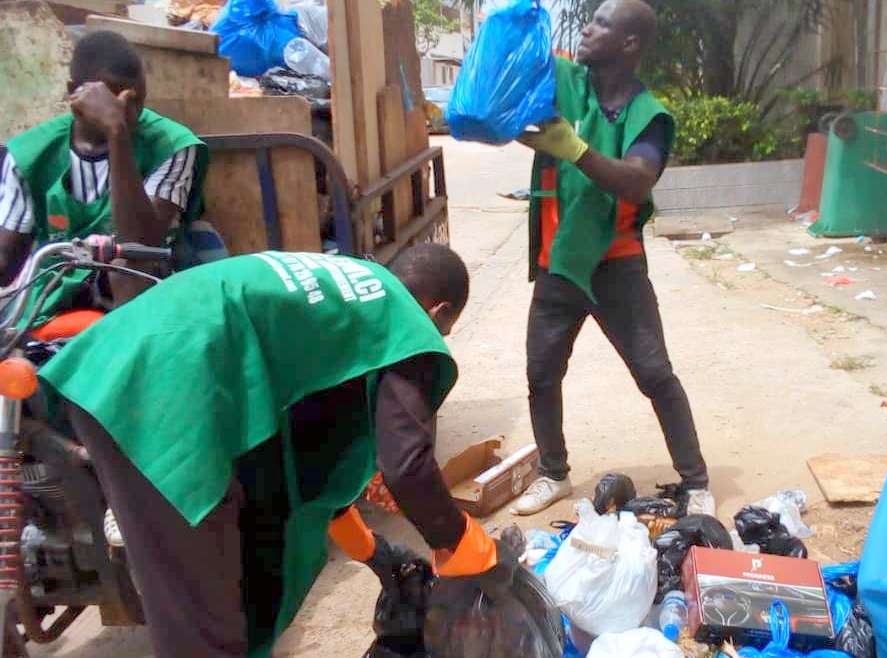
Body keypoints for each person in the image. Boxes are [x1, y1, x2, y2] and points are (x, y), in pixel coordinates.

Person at [38, 245, 506, 658]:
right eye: (442, 331)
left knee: (238, 573)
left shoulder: (346, 287)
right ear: (439, 312)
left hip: (112, 363)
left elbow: (308, 442)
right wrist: (460, 541)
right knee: (204, 624)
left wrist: (368, 546)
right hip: (162, 393)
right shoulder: (403, 318)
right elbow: (407, 466)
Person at [510, 0, 713, 517]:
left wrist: (575, 150)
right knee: (541, 372)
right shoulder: (567, 83)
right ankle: (553, 472)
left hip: (616, 264)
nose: (587, 28)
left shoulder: (650, 116)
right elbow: (512, 71)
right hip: (560, 260)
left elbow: (638, 179)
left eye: (602, 23)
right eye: (590, 18)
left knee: (654, 374)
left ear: (630, 44)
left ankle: (696, 481)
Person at [0, 30, 216, 324]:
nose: (129, 112)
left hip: (141, 289)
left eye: (136, 101)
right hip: (54, 291)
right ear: (74, 91)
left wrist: (117, 133)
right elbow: (7, 265)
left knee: (125, 265)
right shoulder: (30, 154)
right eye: (116, 100)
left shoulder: (173, 146)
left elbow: (141, 244)